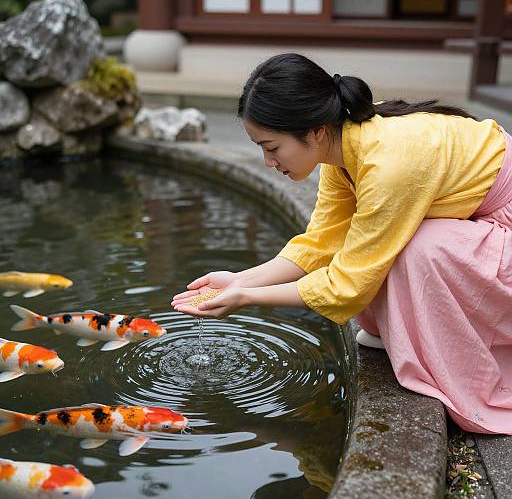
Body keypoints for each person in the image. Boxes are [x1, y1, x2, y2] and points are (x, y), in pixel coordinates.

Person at [172, 52, 512, 434]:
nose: (269, 162)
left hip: (504, 228)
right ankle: (408, 333)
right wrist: (240, 279)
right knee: (378, 238)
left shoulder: (387, 165)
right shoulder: (342, 143)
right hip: (478, 222)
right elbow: (322, 242)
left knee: (418, 249)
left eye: (272, 147)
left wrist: (246, 299)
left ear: (314, 131)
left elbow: (347, 285)